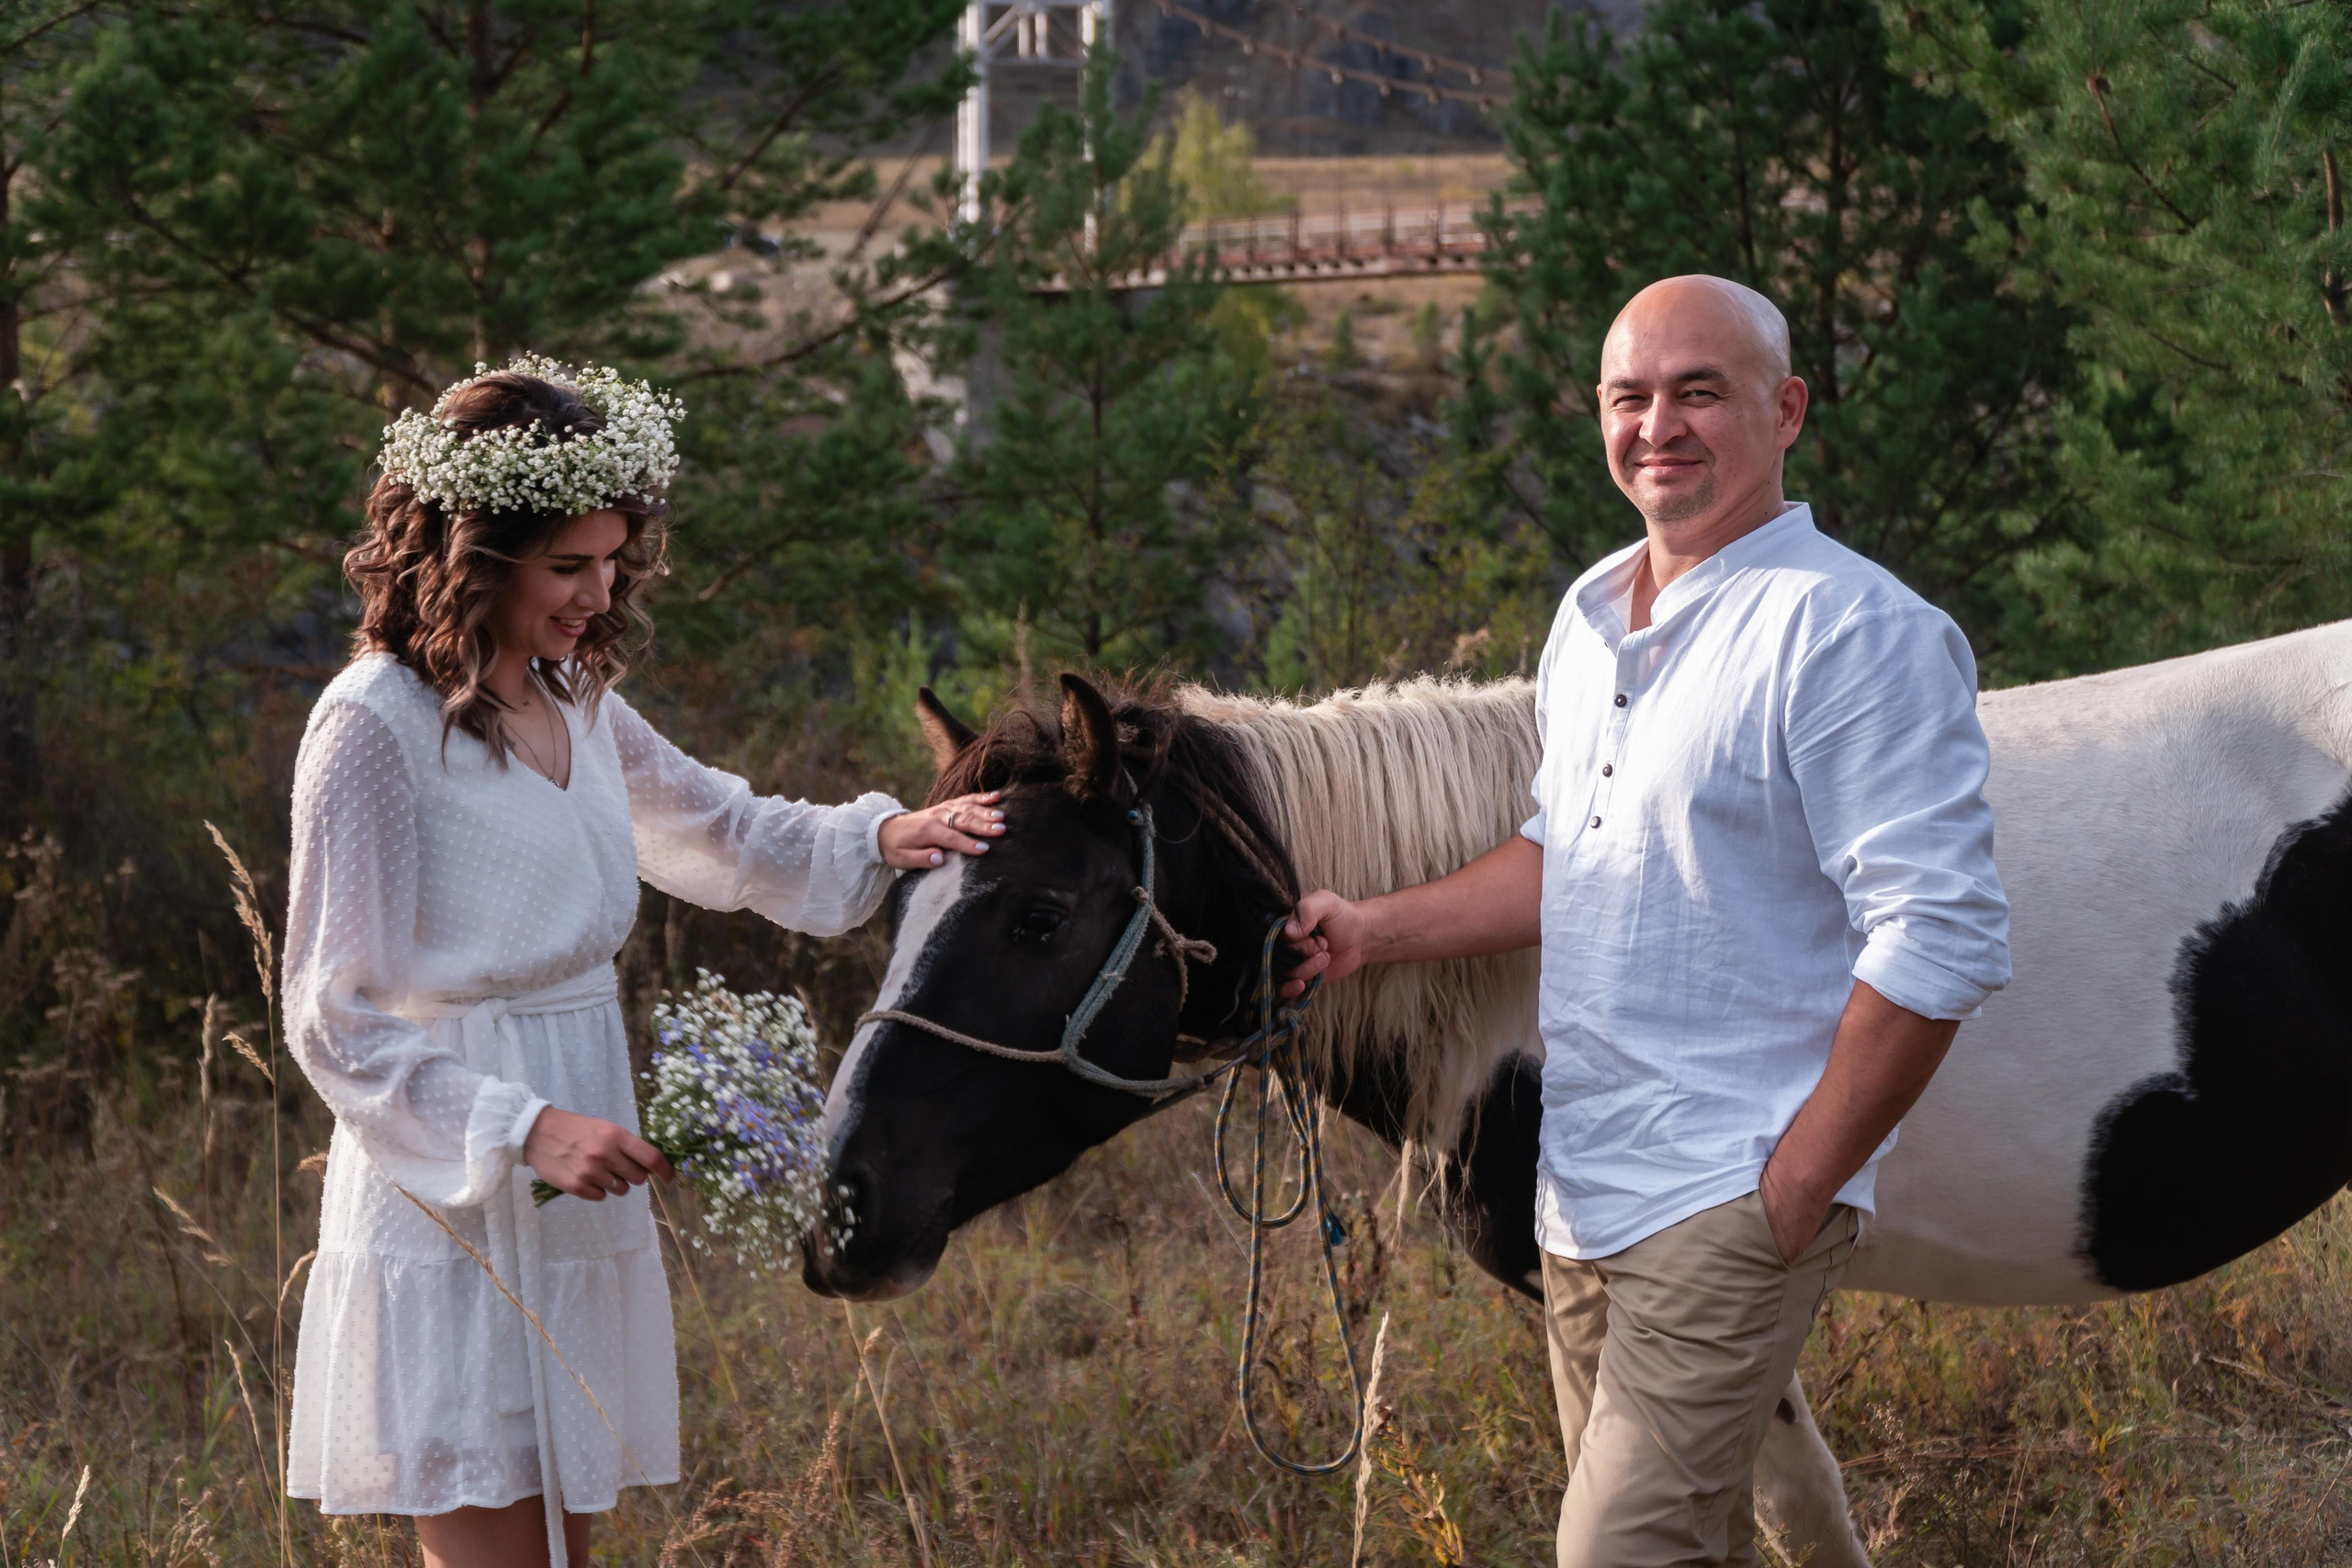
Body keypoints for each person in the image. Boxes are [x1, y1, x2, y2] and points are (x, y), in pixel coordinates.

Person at [1283, 276, 2011, 1565]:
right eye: (1631, 396)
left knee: (1614, 1552)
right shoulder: (1589, 613)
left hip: (1729, 1190)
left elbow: (1941, 938)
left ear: (1785, 411)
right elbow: (1568, 856)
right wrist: (1373, 929)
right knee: (1701, 1544)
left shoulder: (1852, 631)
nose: (1658, 425)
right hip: (1586, 1190)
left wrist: (1792, 1191)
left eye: (1699, 392)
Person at [280, 357, 1002, 1568]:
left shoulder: (576, 698)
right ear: (474, 552)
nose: (598, 589)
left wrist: (880, 834)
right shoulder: (373, 726)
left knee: (573, 1530)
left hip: (581, 1136)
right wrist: (523, 1127)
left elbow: (713, 825)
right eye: (568, 564)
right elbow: (329, 1015)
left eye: (614, 558)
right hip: (464, 1163)